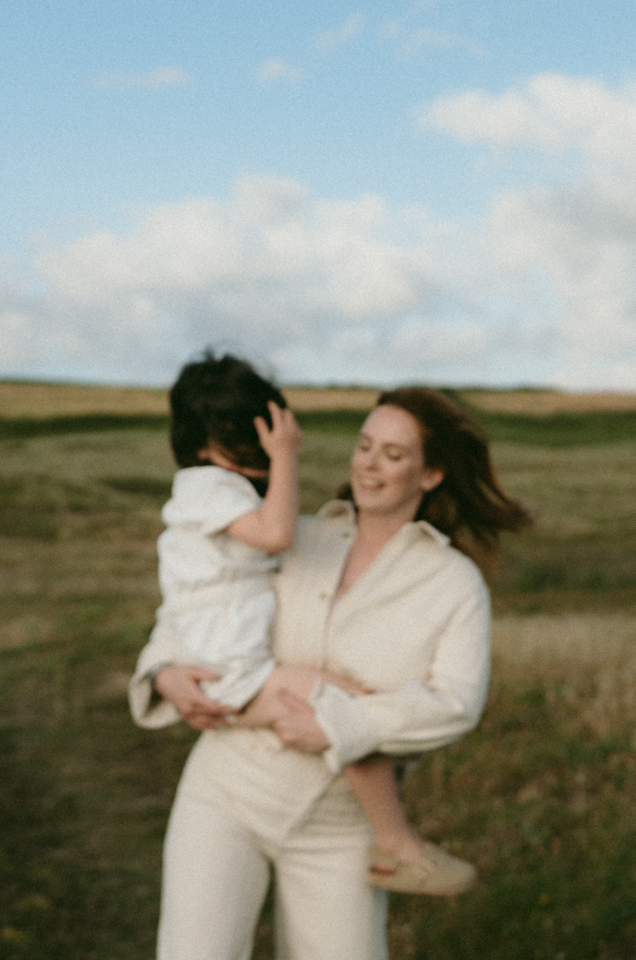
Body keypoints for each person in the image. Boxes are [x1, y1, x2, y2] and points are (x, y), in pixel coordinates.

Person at [130, 386, 530, 959]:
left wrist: (339, 725)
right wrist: (162, 669)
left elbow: (455, 704)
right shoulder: (293, 533)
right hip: (225, 792)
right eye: (364, 446)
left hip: (340, 825)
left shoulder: (452, 583)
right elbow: (200, 601)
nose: (369, 465)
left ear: (431, 474)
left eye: (393, 454)